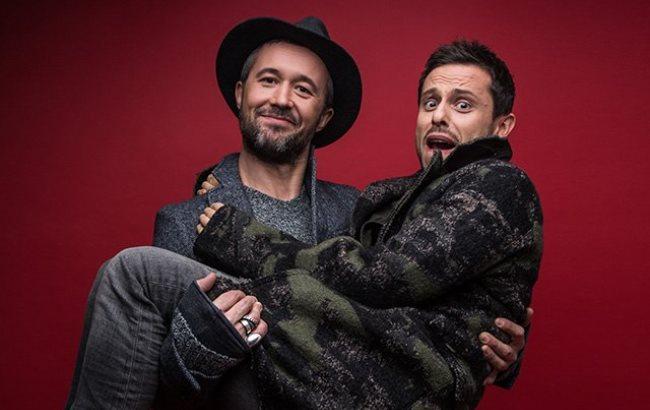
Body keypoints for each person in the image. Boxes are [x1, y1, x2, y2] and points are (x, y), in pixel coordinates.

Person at [66, 17, 529, 409]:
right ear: (241, 93)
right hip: (251, 387)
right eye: (269, 80)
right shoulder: (188, 220)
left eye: (303, 89)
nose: (282, 99)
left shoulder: (355, 208)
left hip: (340, 387)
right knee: (131, 273)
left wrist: (498, 343)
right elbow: (155, 382)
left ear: (323, 115)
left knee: (133, 272)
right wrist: (206, 342)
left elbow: (409, 283)